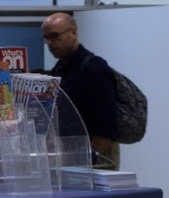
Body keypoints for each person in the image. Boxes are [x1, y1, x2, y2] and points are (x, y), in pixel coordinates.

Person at [41, 11, 121, 169]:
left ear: (73, 33)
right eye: (47, 38)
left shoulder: (93, 68)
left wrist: (87, 160)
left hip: (96, 155)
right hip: (74, 153)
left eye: (55, 36)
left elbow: (106, 126)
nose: (50, 43)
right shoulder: (60, 69)